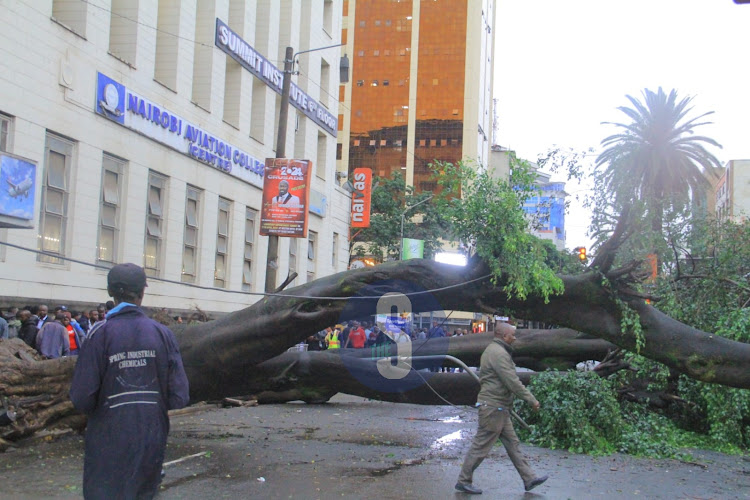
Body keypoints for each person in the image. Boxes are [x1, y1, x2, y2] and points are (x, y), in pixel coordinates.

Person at [69, 263, 190, 499]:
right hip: (150, 438)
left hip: (108, 439)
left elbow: (81, 398)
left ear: (110, 292)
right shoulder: (162, 334)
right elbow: (179, 396)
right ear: (142, 293)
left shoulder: (98, 334)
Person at [455, 323, 548, 495]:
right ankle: (463, 480)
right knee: (481, 445)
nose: (515, 337)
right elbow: (511, 381)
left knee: (513, 444)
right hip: (493, 407)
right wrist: (531, 400)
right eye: (513, 335)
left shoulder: (496, 351)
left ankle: (529, 478)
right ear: (504, 336)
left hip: (500, 407)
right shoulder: (498, 354)